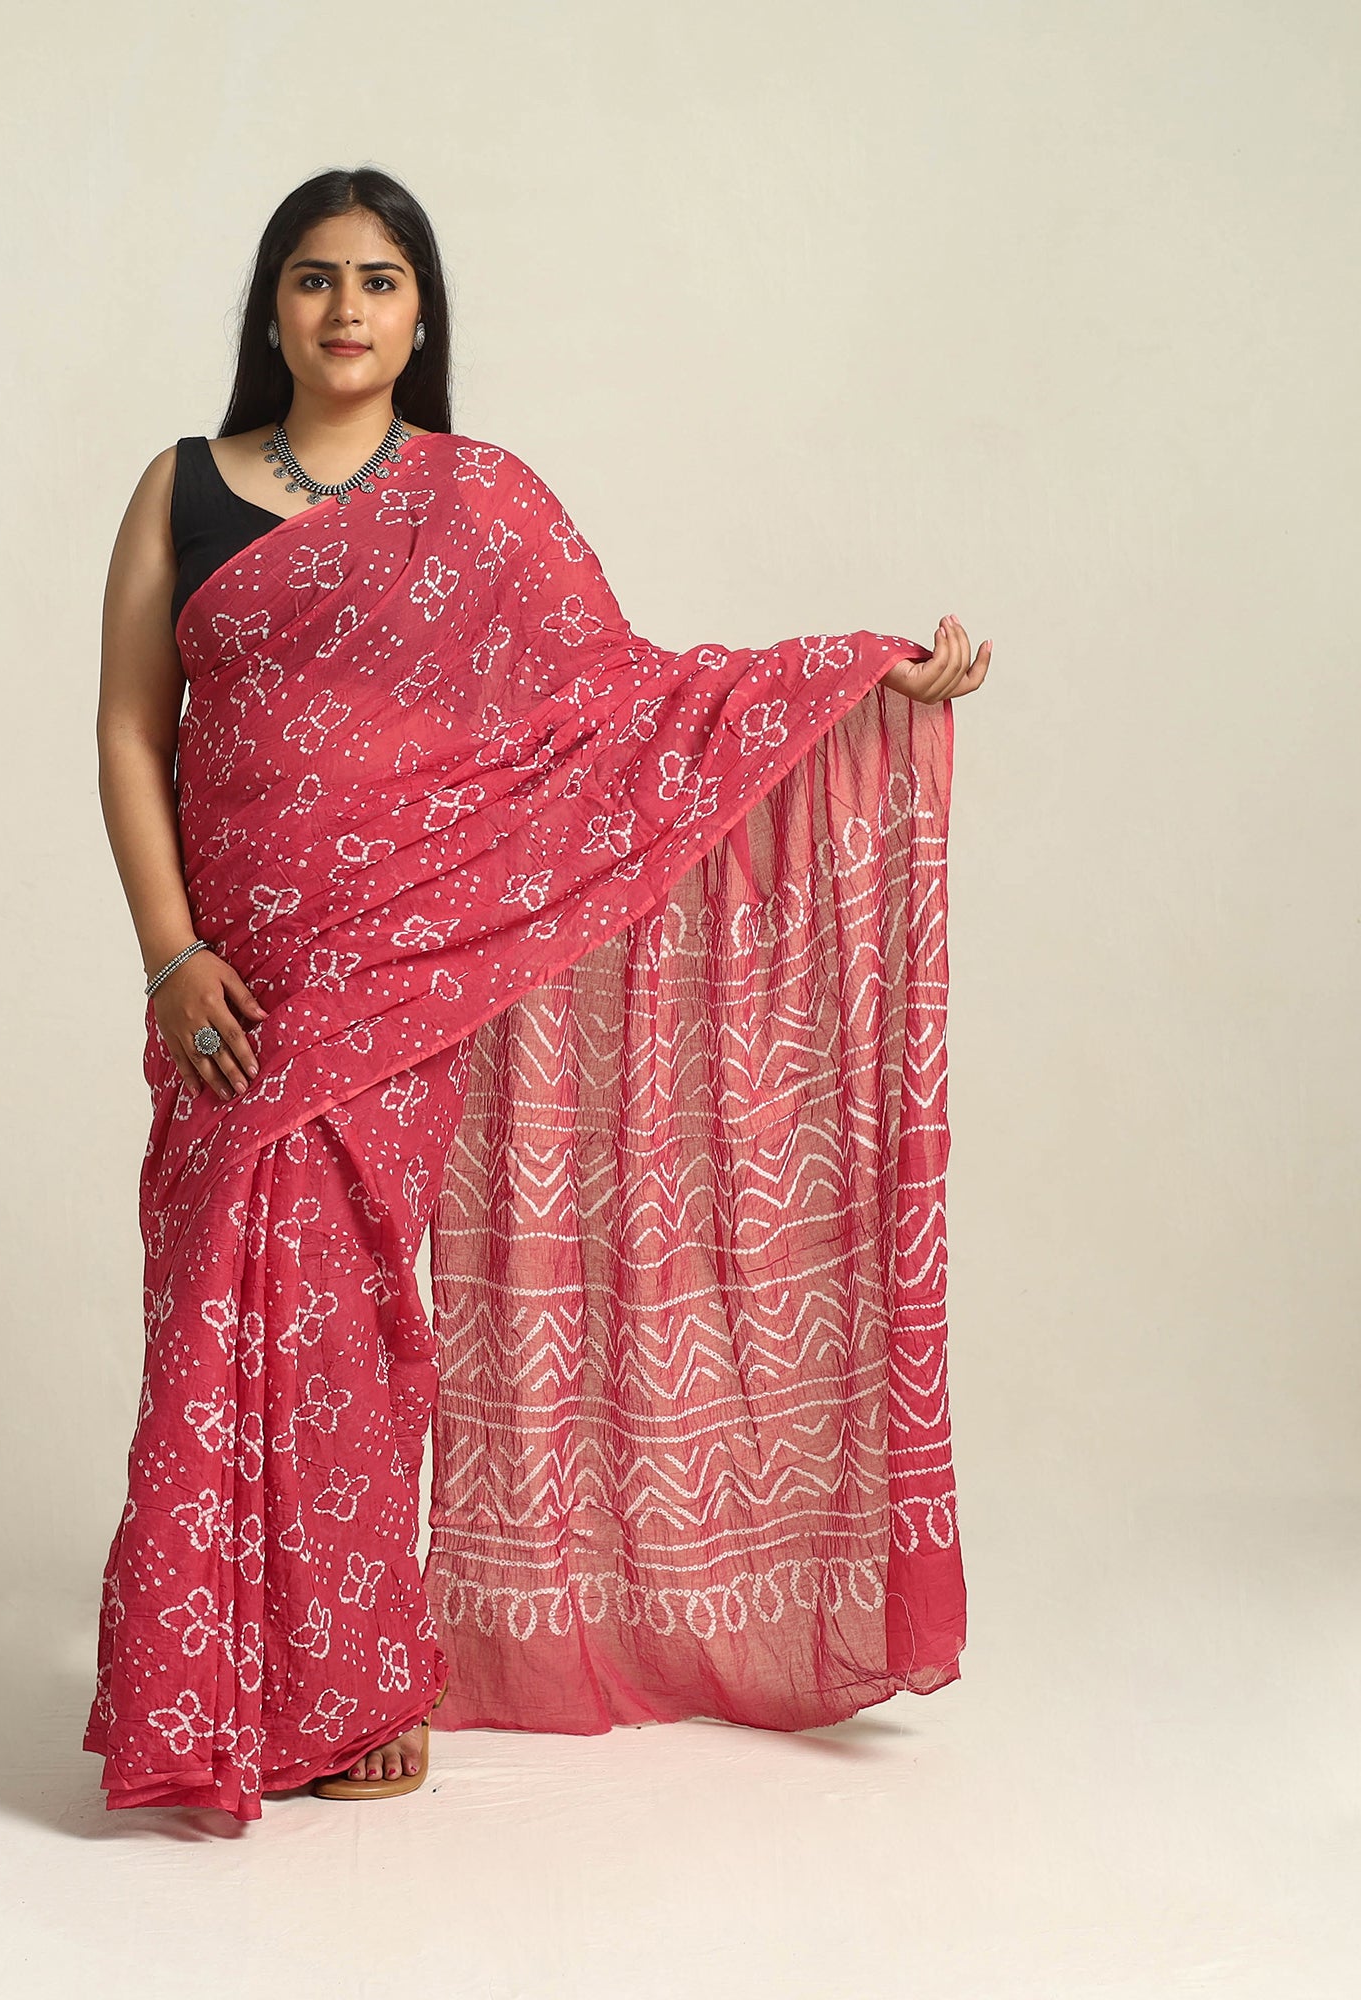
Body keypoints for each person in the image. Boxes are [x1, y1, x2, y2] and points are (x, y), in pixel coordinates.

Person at [88, 166, 991, 1822]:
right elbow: (132, 729)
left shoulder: (481, 501)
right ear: (270, 309)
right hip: (233, 969)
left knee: (352, 1302)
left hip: (401, 951)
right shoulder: (181, 487)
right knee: (213, 1284)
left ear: (419, 313)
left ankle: (357, 1678)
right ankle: (216, 1678)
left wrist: (857, 673)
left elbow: (618, 705)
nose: (345, 307)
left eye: (378, 279)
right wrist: (168, 952)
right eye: (313, 277)